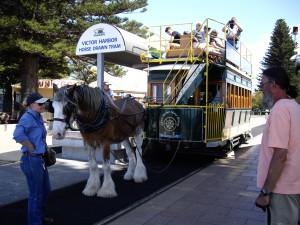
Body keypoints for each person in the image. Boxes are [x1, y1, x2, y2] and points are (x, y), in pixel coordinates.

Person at [255, 67, 300, 225]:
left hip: (282, 189)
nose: (261, 88)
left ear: (273, 85)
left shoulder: (280, 109)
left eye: (263, 84)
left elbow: (280, 154)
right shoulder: (294, 106)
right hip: (293, 185)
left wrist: (266, 191)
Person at [13, 92, 53, 225]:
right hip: (31, 160)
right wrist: (32, 148)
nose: (43, 105)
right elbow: (18, 135)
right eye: (40, 103)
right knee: (36, 194)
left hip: (40, 160)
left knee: (45, 190)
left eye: (44, 103)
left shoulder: (38, 117)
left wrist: (44, 149)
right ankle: (35, 222)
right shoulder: (27, 118)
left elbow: (39, 136)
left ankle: (40, 216)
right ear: (31, 105)